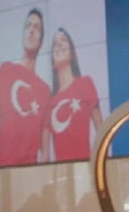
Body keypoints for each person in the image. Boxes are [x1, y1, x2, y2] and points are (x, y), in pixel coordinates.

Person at [0, 9, 51, 167]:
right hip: (1, 170)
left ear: (41, 42)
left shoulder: (45, 90)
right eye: (28, 26)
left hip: (28, 173)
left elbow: (46, 152)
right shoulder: (6, 70)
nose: (31, 30)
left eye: (36, 27)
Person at [42, 27, 102, 163]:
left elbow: (101, 130)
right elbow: (45, 157)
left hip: (85, 169)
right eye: (55, 44)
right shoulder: (50, 102)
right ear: (52, 61)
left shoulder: (86, 83)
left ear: (72, 53)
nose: (59, 44)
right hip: (62, 172)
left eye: (63, 40)